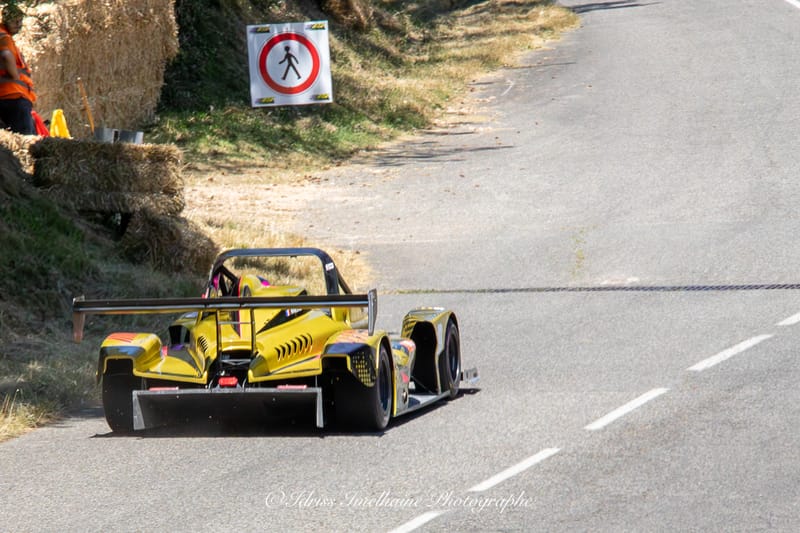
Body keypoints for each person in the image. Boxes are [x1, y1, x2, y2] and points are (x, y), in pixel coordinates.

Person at [0, 3, 36, 135]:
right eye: (15, 21)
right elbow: (6, 55)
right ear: (5, 20)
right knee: (26, 142)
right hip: (14, 96)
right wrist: (15, 77)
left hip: (6, 97)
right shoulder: (4, 37)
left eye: (20, 21)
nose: (19, 25)